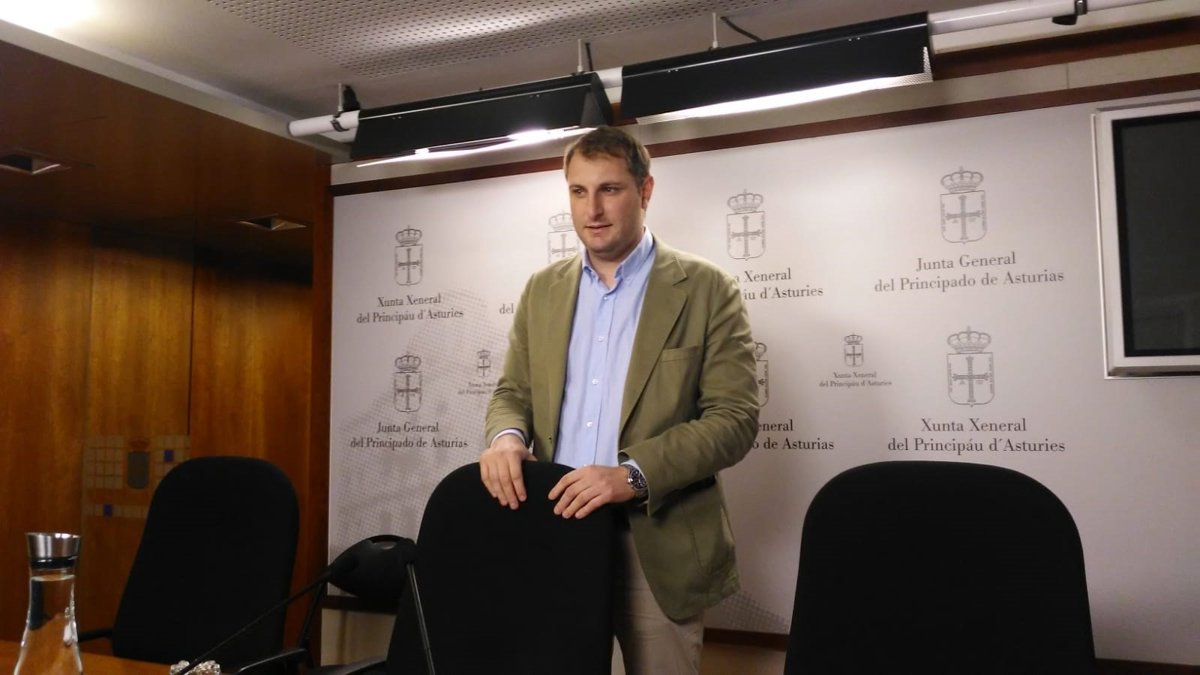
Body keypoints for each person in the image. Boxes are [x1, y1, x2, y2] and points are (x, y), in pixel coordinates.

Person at [480, 126, 759, 675]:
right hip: (554, 531)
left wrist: (631, 476)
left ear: (645, 190)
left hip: (657, 544)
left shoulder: (708, 289)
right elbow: (513, 392)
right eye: (578, 191)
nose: (592, 210)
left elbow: (735, 419)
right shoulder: (542, 289)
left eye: (609, 189)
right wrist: (506, 438)